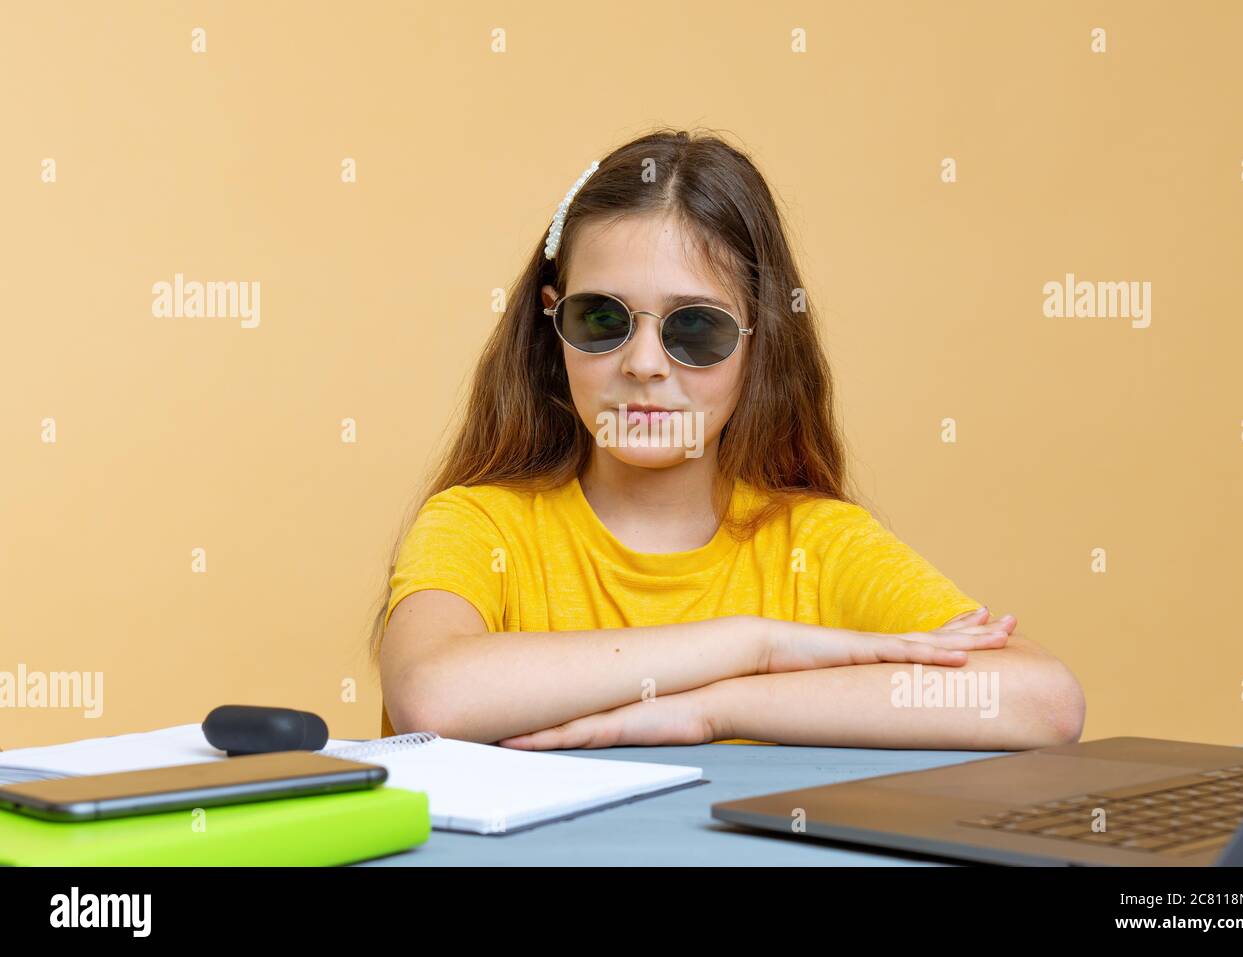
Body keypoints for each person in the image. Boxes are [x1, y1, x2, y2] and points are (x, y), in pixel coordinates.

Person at [368, 128, 1085, 750]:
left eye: (694, 328)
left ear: (757, 343)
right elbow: (432, 696)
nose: (643, 363)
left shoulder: (817, 542)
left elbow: (1041, 701)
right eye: (602, 320)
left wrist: (716, 707)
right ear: (552, 322)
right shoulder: (481, 525)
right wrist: (756, 644)